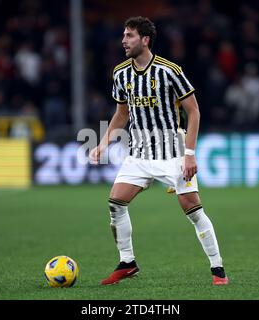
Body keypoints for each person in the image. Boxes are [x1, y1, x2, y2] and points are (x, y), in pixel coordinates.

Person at [89, 17, 228, 286]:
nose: (123, 40)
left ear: (145, 40)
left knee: (193, 209)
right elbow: (121, 114)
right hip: (139, 152)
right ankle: (127, 262)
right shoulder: (120, 73)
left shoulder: (170, 71)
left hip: (173, 151)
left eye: (129, 35)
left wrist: (189, 153)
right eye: (123, 35)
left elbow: (193, 111)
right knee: (116, 202)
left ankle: (218, 269)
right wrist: (104, 142)